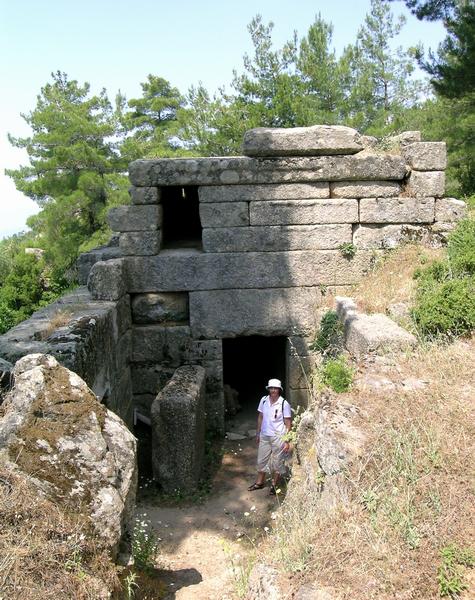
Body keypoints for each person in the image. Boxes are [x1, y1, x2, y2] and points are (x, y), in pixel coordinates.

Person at [247, 378, 292, 495]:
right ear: (268, 389)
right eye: (271, 388)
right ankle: (259, 482)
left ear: (279, 390)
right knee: (262, 460)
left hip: (278, 436)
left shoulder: (283, 403)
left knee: (278, 461)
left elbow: (288, 422)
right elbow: (260, 417)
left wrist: (286, 440)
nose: (273, 390)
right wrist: (258, 433)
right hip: (265, 435)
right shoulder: (263, 400)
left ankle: (274, 485)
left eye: (275, 388)